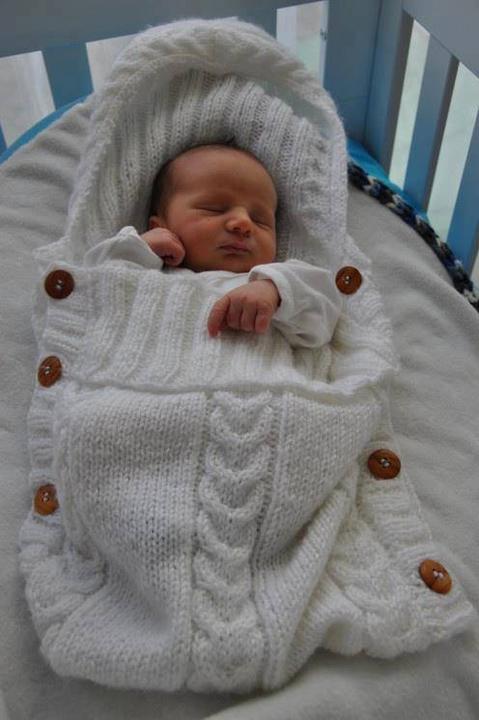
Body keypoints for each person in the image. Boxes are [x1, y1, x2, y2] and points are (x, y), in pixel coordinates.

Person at [138, 142, 343, 348]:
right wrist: (139, 247)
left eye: (260, 220)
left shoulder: (275, 280)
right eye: (215, 209)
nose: (244, 223)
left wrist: (276, 291)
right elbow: (117, 281)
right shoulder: (145, 265)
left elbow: (326, 313)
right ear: (160, 226)